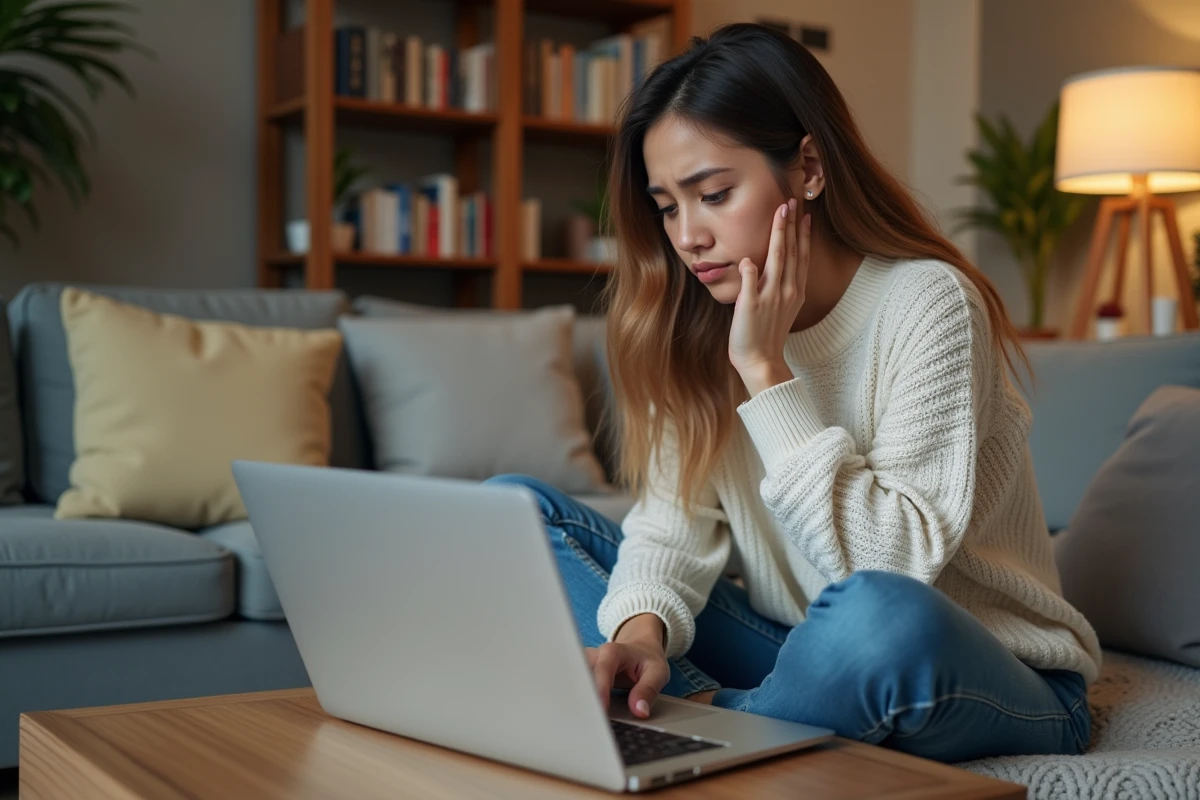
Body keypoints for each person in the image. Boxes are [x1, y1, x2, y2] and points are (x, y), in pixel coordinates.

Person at [484, 22, 1100, 764]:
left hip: (988, 668)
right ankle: (722, 712)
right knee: (516, 512)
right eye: (667, 206)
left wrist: (766, 373)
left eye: (713, 194)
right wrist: (637, 635)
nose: (687, 236)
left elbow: (892, 569)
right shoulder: (700, 322)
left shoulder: (927, 303)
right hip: (799, 648)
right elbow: (671, 526)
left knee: (876, 616)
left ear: (807, 167)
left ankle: (711, 727)